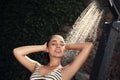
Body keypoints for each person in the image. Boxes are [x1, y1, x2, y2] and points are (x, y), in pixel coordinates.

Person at [13, 34, 93, 80]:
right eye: (54, 44)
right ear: (47, 48)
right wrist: (43, 47)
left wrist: (66, 46)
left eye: (61, 44)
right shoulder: (36, 67)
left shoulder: (65, 72)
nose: (58, 46)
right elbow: (17, 52)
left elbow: (88, 46)